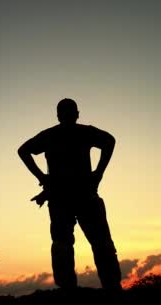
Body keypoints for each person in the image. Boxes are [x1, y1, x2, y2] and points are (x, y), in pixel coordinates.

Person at [17, 98, 122, 290]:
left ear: (60, 115)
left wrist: (44, 178)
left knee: (73, 245)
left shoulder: (54, 135)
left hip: (71, 198)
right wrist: (98, 172)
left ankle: (78, 292)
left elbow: (23, 151)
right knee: (86, 245)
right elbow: (110, 140)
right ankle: (107, 289)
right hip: (72, 197)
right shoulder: (80, 132)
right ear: (76, 114)